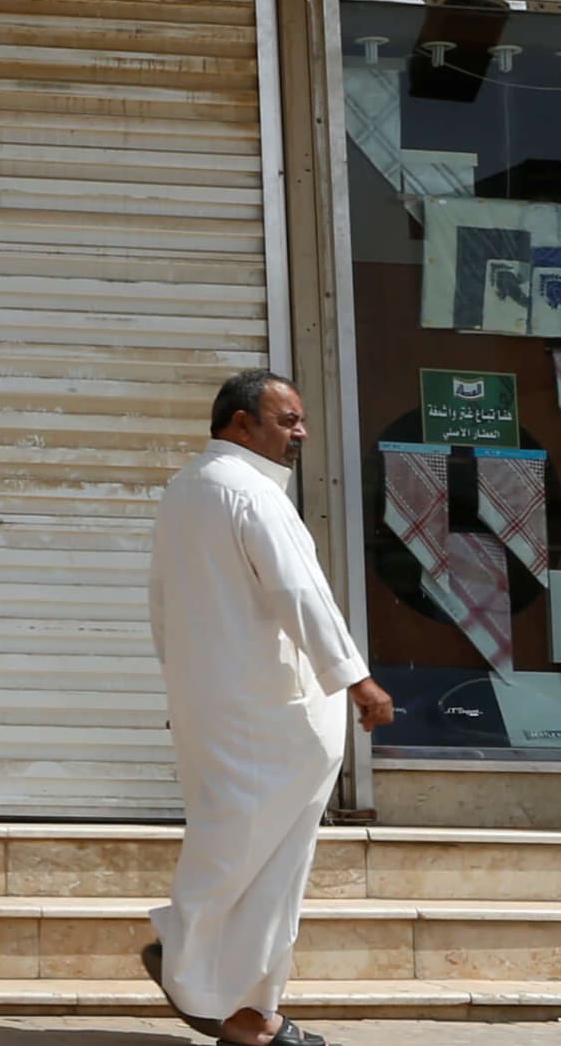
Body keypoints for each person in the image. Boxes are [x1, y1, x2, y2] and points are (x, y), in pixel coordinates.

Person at [140, 369, 393, 1046]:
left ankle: (245, 1005)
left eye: (299, 418)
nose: (300, 431)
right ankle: (201, 966)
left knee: (238, 845)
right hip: (273, 714)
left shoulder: (182, 490)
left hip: (218, 706)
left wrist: (182, 689)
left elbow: (161, 605)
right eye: (286, 419)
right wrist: (356, 679)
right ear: (239, 424)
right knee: (269, 863)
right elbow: (299, 594)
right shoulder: (250, 493)